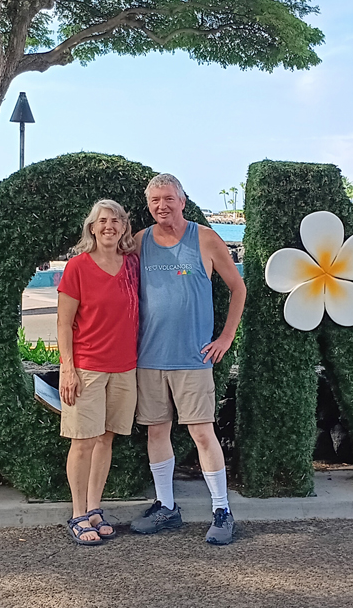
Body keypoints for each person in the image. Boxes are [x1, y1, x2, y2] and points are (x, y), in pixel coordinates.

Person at [130, 173, 247, 545]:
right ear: (148, 205)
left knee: (201, 433)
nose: (162, 205)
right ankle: (166, 506)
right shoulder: (140, 242)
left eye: (168, 198)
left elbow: (238, 287)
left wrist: (226, 337)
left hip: (192, 359)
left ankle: (222, 510)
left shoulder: (205, 239)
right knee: (156, 431)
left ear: (182, 201)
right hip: (149, 359)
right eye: (155, 200)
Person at [56, 199, 140, 546]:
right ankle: (77, 514)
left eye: (116, 220)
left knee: (106, 439)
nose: (109, 226)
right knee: (83, 441)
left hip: (124, 368)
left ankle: (94, 509)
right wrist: (68, 369)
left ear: (124, 228)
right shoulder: (77, 267)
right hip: (87, 368)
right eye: (103, 221)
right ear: (92, 228)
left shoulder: (132, 265)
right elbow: (63, 323)